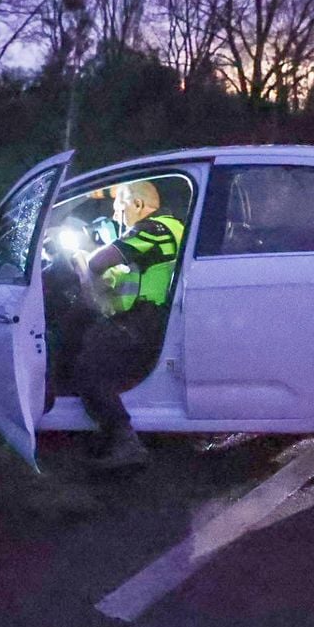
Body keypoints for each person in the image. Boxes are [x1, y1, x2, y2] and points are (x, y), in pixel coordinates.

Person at [69, 180, 184, 470]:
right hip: (157, 318)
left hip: (141, 324)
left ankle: (125, 442)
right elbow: (138, 274)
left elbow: (99, 262)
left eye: (119, 210)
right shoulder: (175, 226)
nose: (116, 219)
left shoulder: (151, 229)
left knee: (87, 367)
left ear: (137, 205)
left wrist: (80, 261)